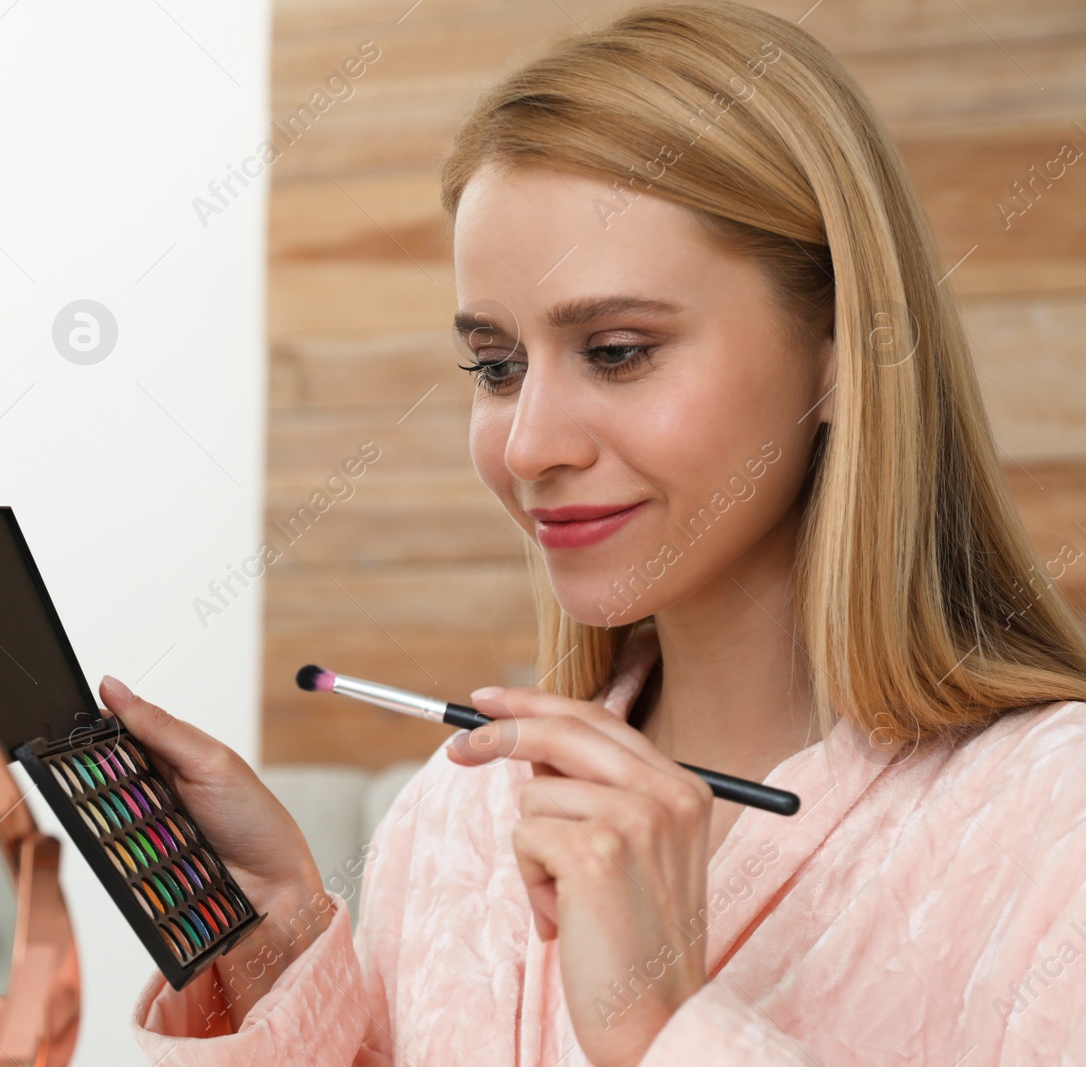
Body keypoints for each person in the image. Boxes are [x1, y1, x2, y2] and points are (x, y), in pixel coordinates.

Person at [98, 1, 1086, 1062]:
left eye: (615, 350)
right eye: (495, 365)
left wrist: (660, 1026)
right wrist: (279, 950)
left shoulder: (1050, 832)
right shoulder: (458, 821)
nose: (528, 446)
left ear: (842, 349)